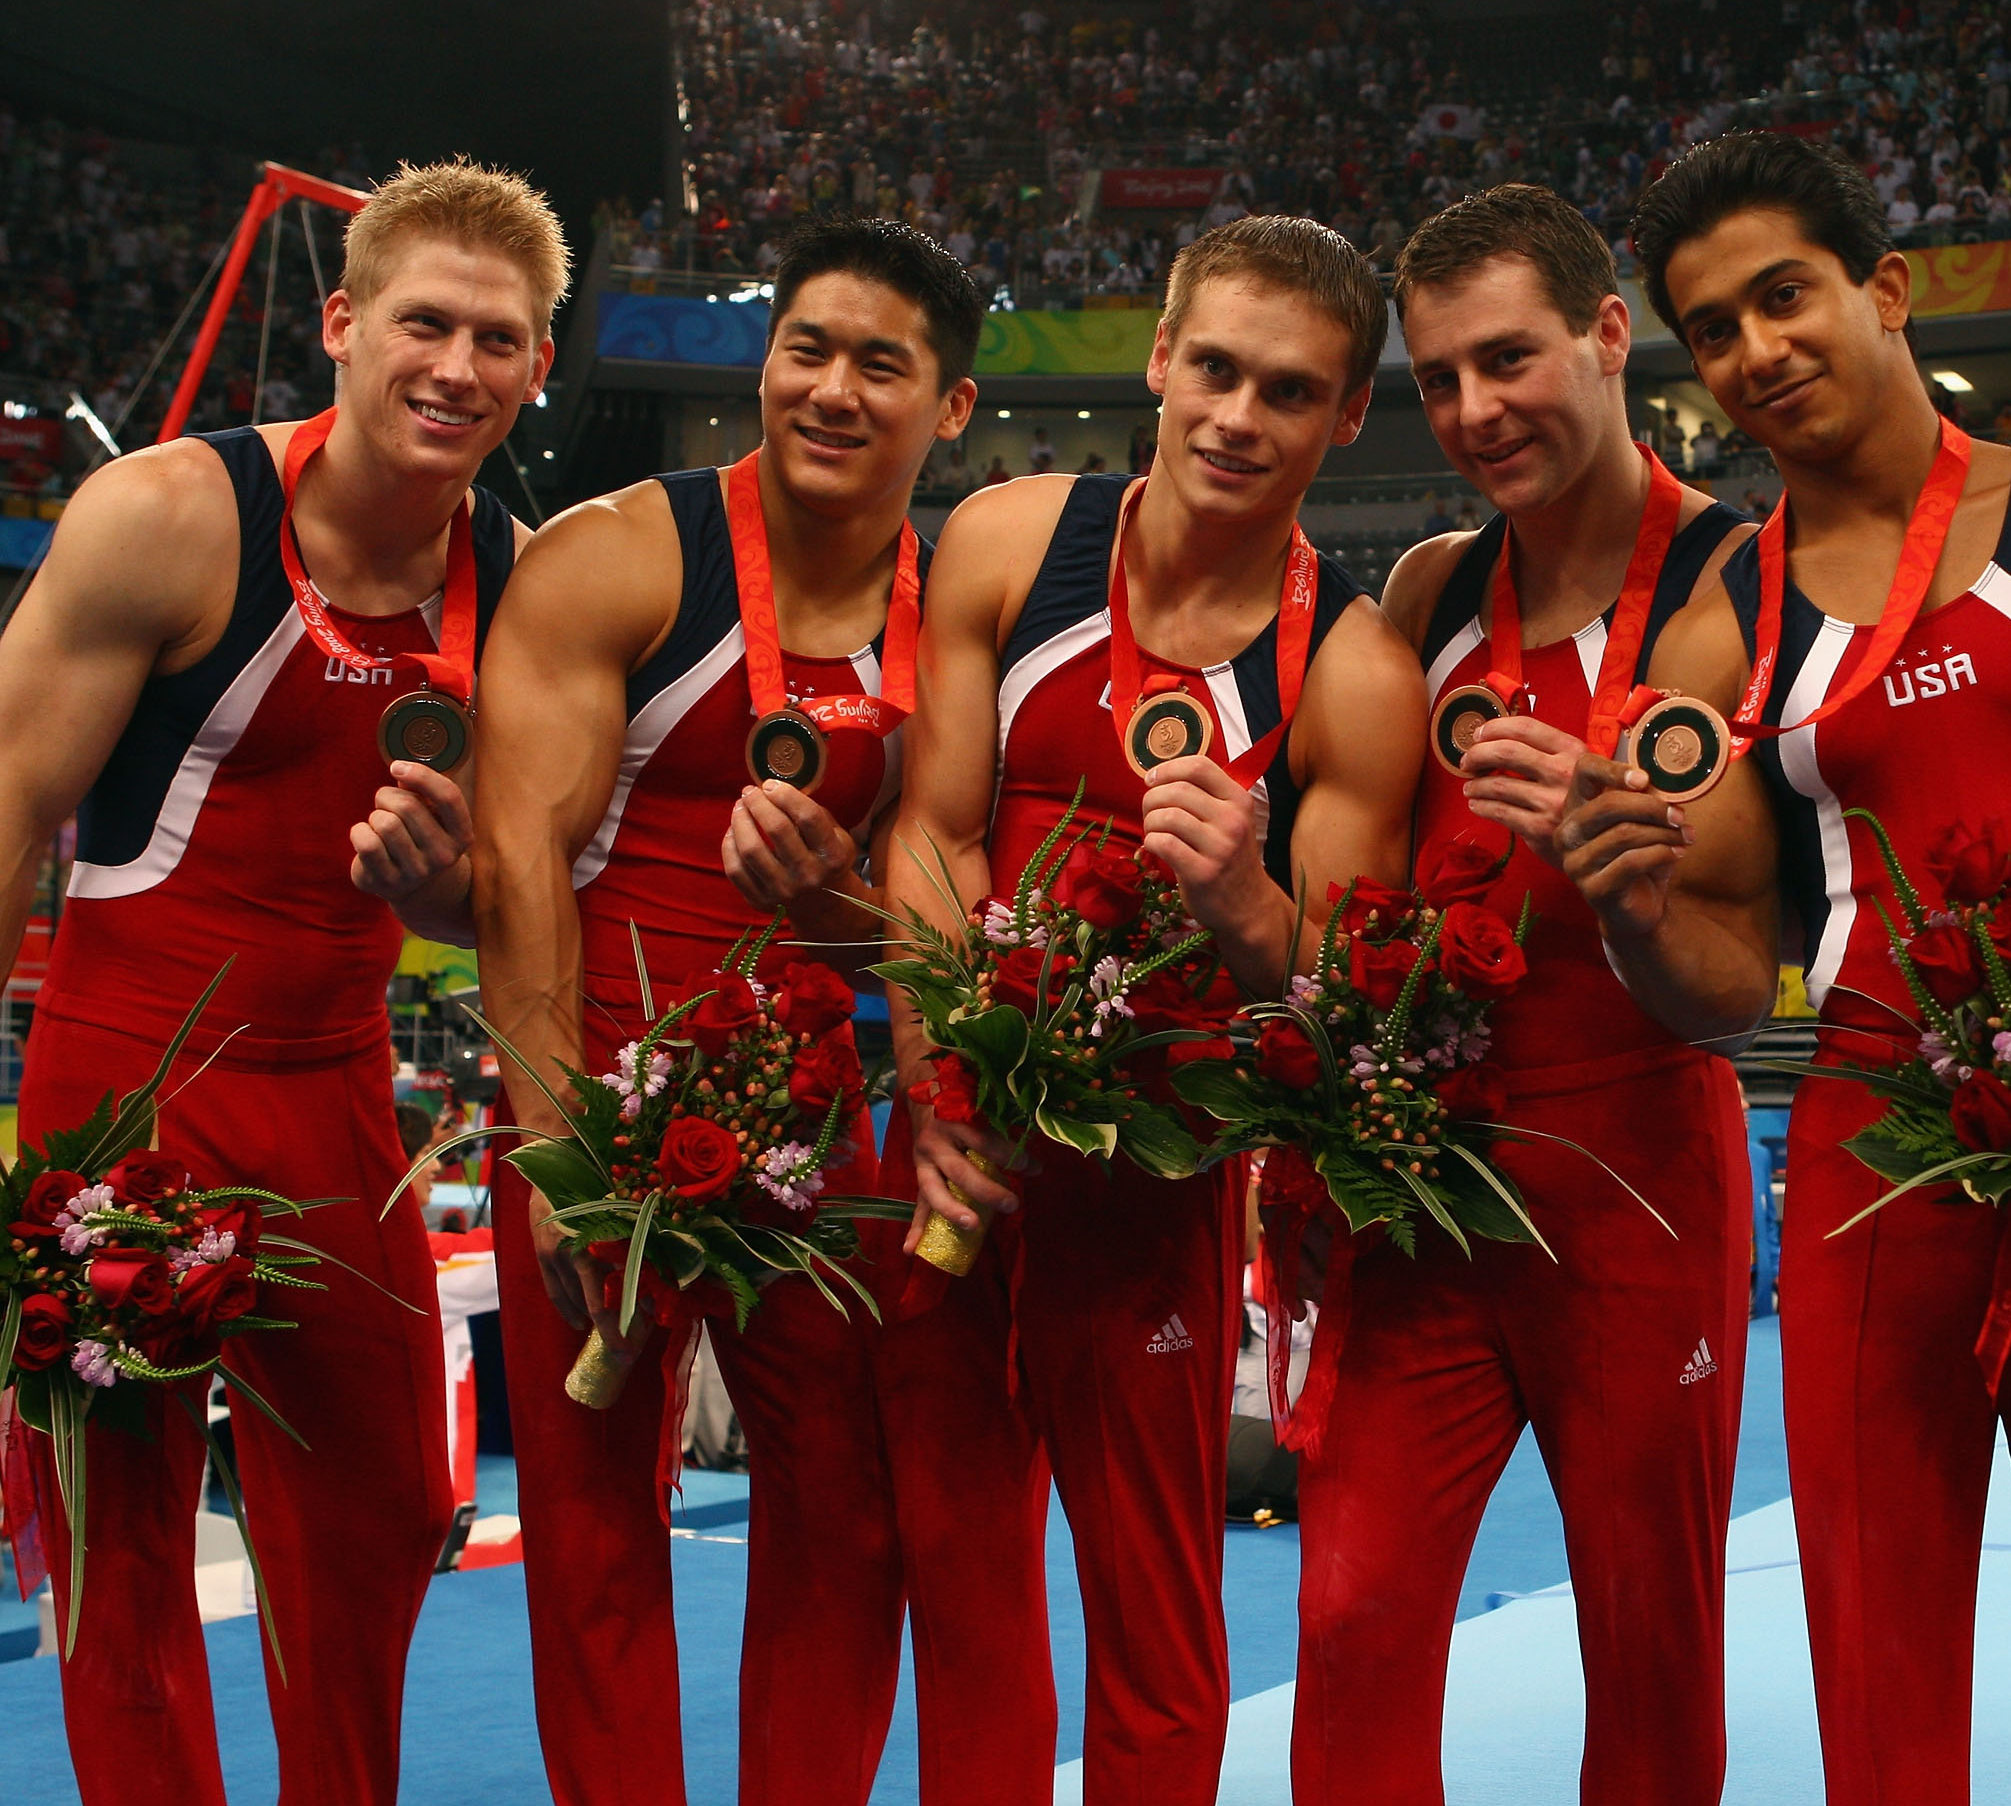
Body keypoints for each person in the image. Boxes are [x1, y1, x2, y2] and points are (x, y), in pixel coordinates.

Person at [1551, 133, 2011, 1805]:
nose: (1758, 351)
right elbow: (1714, 985)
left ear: (1885, 289)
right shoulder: (1722, 630)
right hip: (1871, 1160)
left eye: (1786, 296)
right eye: (1714, 329)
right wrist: (1631, 909)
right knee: (1875, 1649)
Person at [0, 160, 556, 1804]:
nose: (458, 366)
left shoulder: (517, 582)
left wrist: (439, 887)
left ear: (537, 368)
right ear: (342, 322)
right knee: (125, 1540)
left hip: (336, 1089)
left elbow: (492, 899)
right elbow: (14, 803)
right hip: (125, 1093)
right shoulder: (171, 516)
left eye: (501, 340)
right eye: (426, 322)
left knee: (386, 1504)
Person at [471, 215, 1032, 1806]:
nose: (834, 390)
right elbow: (519, 864)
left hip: (800, 1131)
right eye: (808, 349)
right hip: (591, 1103)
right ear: (763, 361)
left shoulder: (953, 615)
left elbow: (905, 930)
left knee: (842, 1517)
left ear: (954, 407)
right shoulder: (624, 555)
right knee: (589, 1535)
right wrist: (559, 1152)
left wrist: (826, 908)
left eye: (882, 363)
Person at [892, 214, 1425, 1805]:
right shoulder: (1003, 539)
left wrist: (1248, 904)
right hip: (960, 1161)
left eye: (1287, 390)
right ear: (1159, 357)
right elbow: (933, 828)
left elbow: (1333, 1006)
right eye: (1213, 369)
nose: (1236, 418)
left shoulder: (1356, 672)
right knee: (963, 1603)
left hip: (1162, 1182)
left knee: (1155, 1624)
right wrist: (937, 1088)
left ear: (1343, 419)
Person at [1295, 185, 1756, 1803]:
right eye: (1438, 377)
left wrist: (1623, 887)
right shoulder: (1425, 593)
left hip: (1641, 1176)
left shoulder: (1740, 593)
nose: (1476, 409)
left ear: (1609, 333)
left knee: (1649, 1653)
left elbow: (1755, 983)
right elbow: (1338, 905)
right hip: (1427, 1191)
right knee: (1346, 1625)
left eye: (1510, 358)